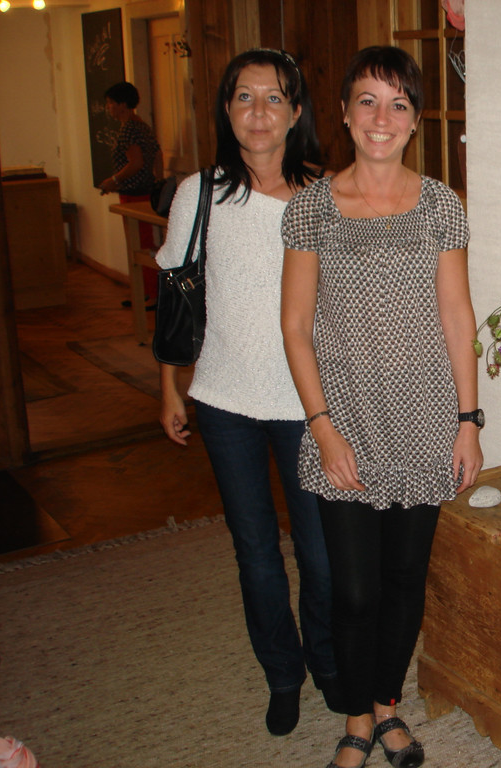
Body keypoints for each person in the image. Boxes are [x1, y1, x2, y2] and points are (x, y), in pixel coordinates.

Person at [280, 46, 483, 768]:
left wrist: (468, 422)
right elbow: (295, 327)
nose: (381, 117)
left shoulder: (440, 205)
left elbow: (458, 318)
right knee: (355, 589)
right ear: (343, 112)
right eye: (367, 100)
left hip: (426, 420)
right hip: (347, 422)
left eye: (398, 104)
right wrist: (322, 428)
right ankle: (355, 716)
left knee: (403, 579)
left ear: (415, 120)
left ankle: (387, 709)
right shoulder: (311, 208)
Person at [156, 48, 339, 737]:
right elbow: (174, 296)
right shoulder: (199, 195)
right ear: (226, 110)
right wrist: (169, 387)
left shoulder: (328, 195)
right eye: (243, 97)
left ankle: (327, 661)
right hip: (224, 399)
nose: (258, 112)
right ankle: (283, 675)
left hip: (307, 405)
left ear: (296, 113)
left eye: (273, 98)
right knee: (256, 552)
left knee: (321, 553)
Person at [99, 81, 163, 303]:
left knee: (141, 245)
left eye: (110, 103)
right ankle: (146, 291)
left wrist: (113, 180)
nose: (108, 108)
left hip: (134, 194)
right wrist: (157, 181)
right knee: (145, 243)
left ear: (122, 104)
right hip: (145, 191)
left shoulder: (129, 129)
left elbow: (135, 163)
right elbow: (157, 155)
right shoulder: (142, 125)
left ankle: (152, 294)